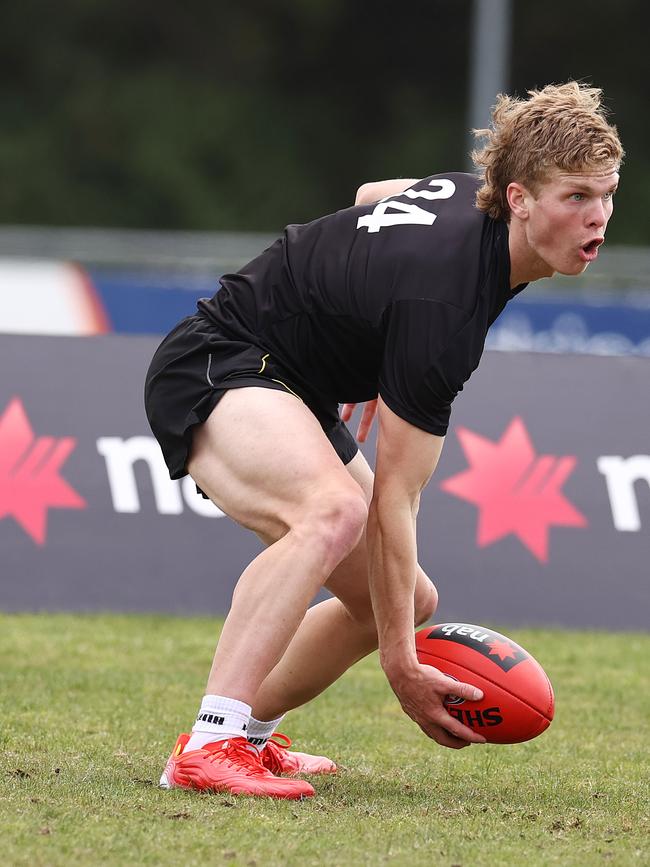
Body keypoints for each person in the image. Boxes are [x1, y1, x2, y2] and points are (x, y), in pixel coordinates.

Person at [144, 81, 622, 799]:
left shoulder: (476, 198)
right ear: (519, 198)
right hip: (219, 358)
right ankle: (208, 746)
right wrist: (402, 667)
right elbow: (396, 498)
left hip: (287, 378)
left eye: (608, 193)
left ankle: (246, 734)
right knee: (333, 513)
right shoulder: (446, 304)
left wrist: (367, 331)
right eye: (576, 197)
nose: (599, 217)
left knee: (403, 597)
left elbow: (375, 195)